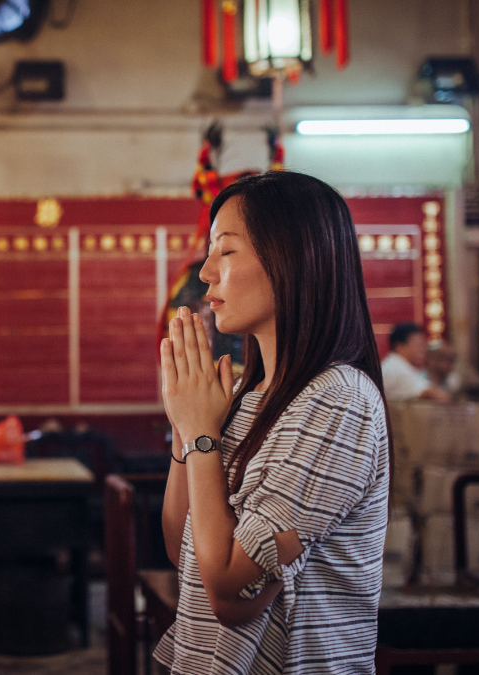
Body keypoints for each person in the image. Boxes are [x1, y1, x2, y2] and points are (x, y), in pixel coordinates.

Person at [154, 171, 391, 674]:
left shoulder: (338, 401)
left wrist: (202, 435)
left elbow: (233, 592)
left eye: (227, 251)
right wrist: (186, 424)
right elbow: (183, 550)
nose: (206, 273)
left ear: (292, 259)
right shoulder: (251, 394)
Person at [381, 323, 451, 402]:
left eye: (423, 345)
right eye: (418, 345)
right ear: (399, 347)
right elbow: (435, 395)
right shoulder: (395, 368)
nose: (423, 350)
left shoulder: (399, 364)